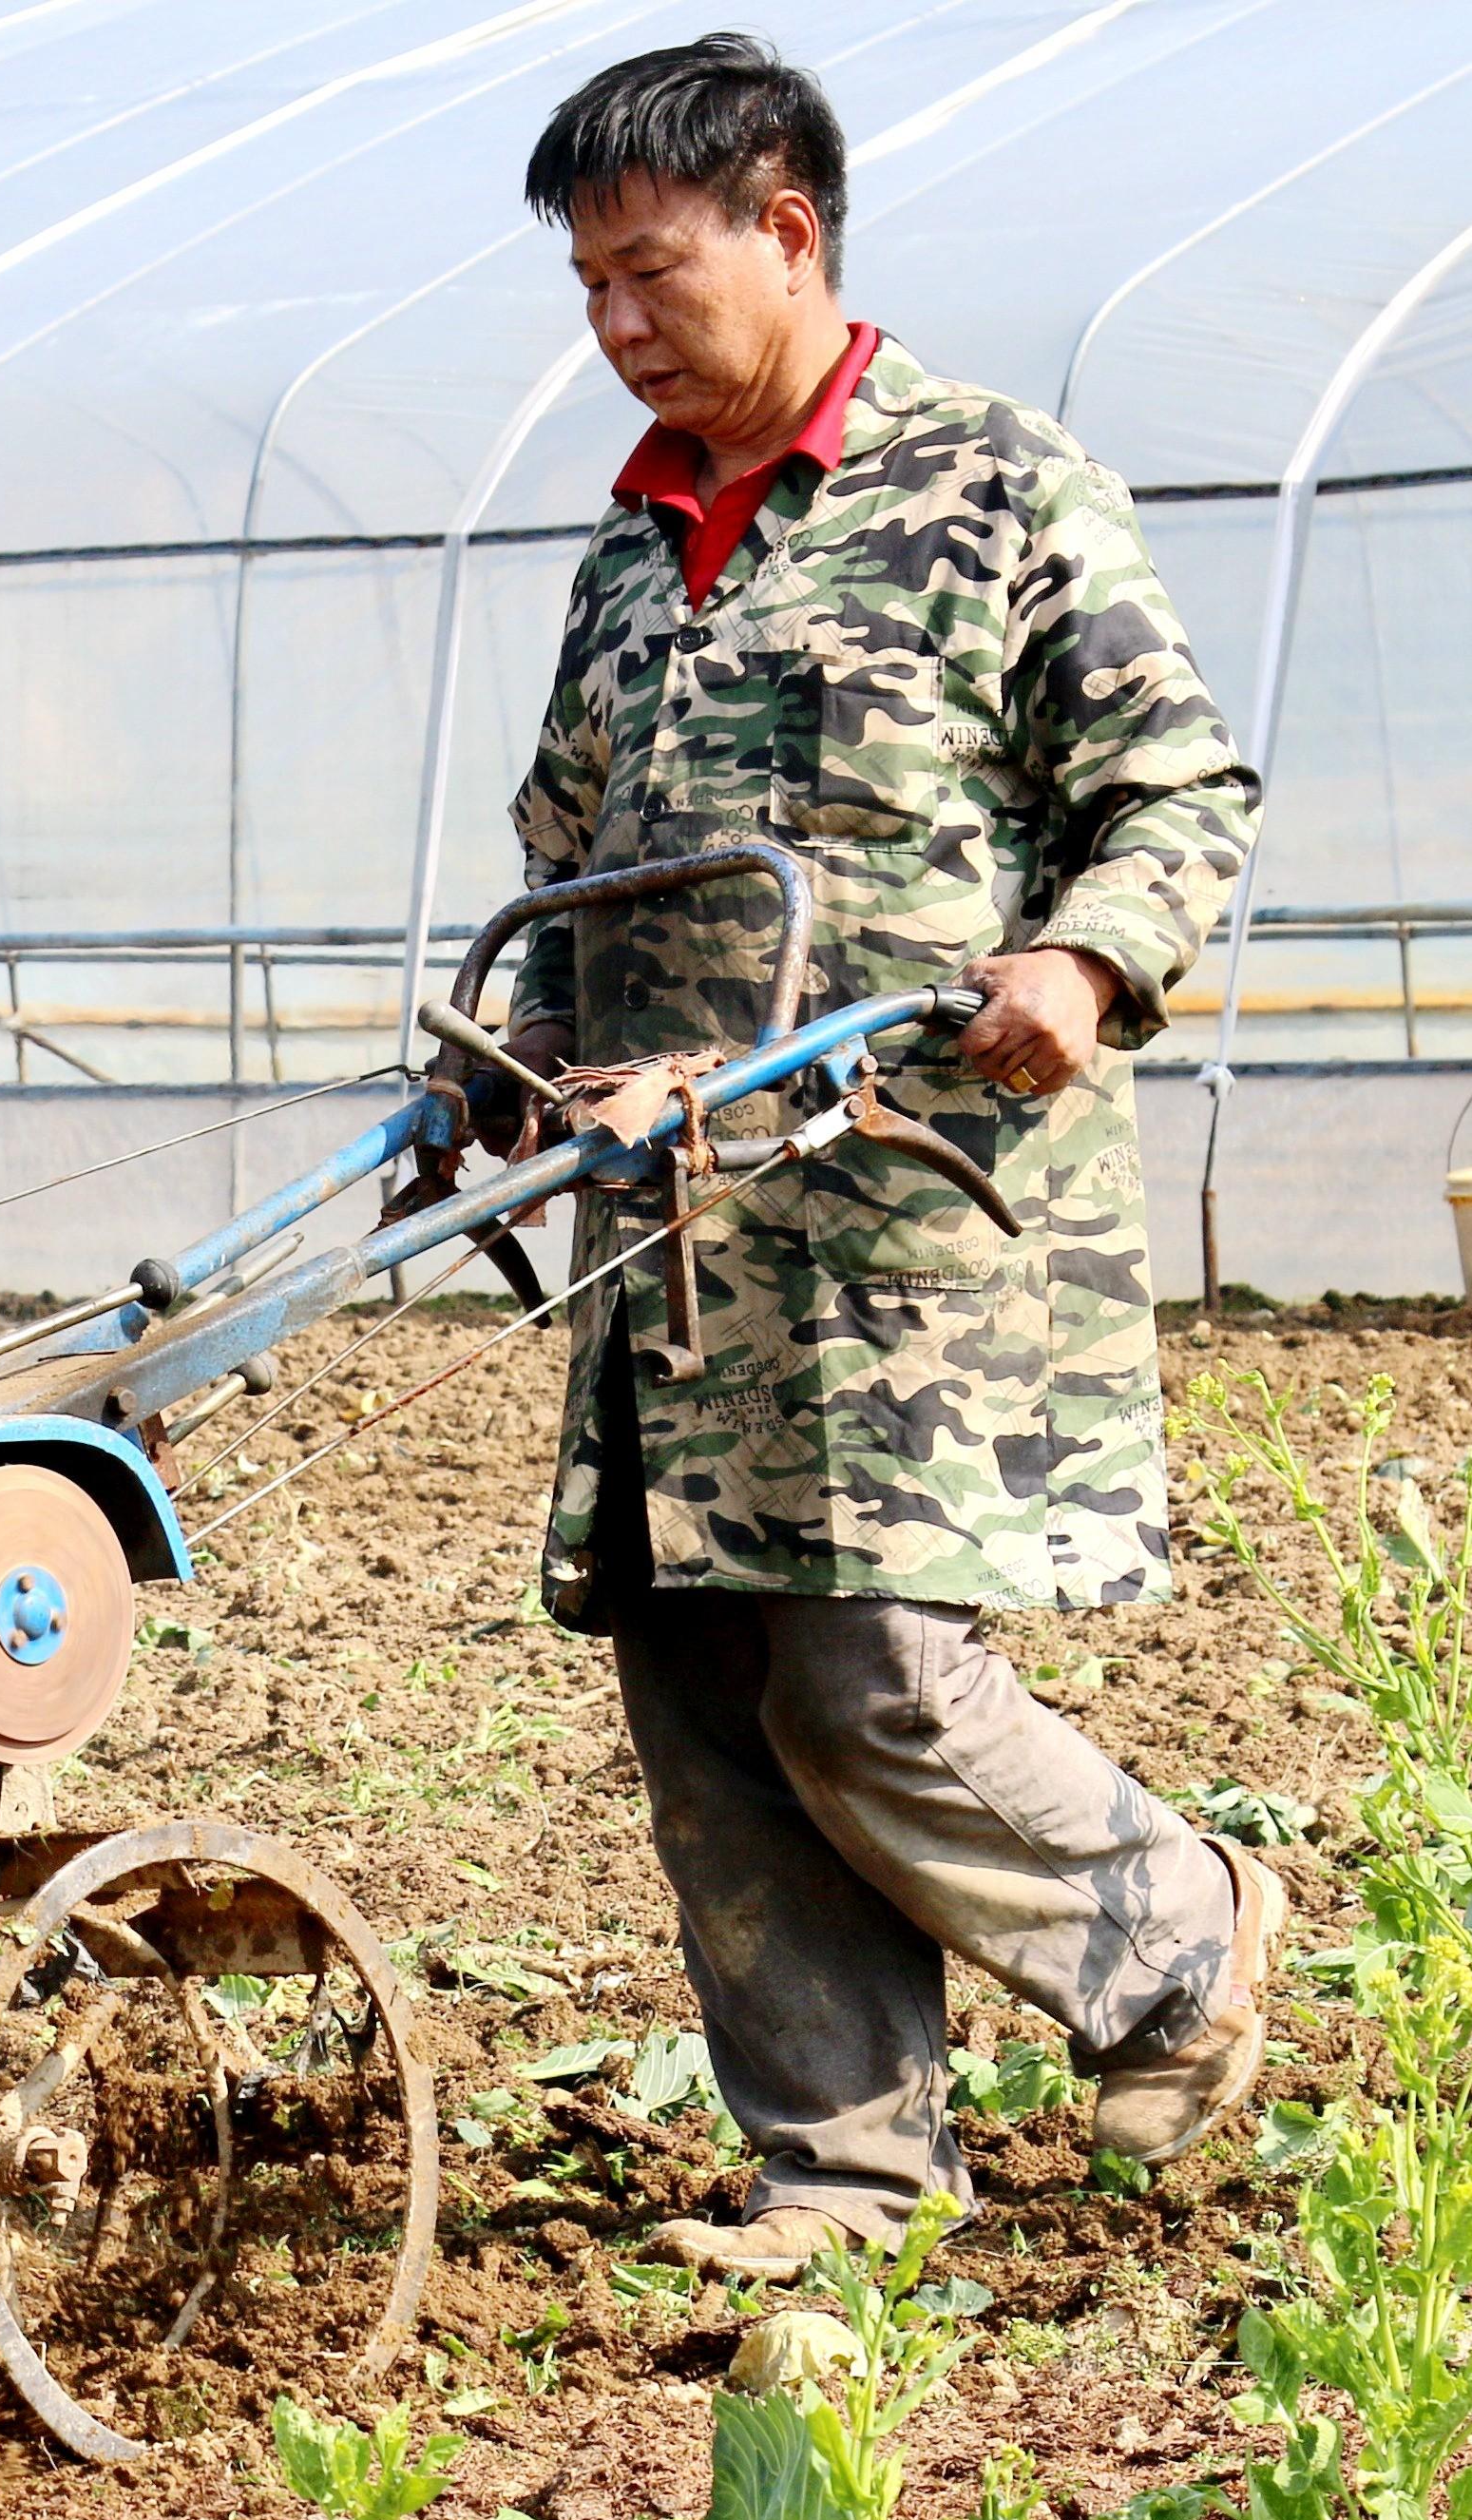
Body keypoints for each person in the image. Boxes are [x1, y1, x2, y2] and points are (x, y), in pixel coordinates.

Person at [486, 33, 1280, 2278]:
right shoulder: (631, 558)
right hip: (668, 1234)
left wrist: (1086, 961)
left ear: (788, 232)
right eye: (588, 286)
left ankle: (1178, 1928)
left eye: (650, 269)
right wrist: (509, 1058)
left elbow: (1177, 794)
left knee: (866, 1678)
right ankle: (844, 2179)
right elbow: (567, 865)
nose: (619, 322)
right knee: (711, 1700)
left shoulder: (998, 491)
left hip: (908, 1214)